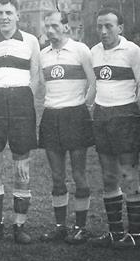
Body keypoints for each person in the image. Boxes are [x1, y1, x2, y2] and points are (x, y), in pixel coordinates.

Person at [0, 0, 42, 244]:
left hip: (21, 105)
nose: (4, 17)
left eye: (9, 12)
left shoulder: (31, 42)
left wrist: (22, 98)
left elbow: (35, 78)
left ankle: (19, 226)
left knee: (21, 168)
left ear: (17, 15)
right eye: (0, 13)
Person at [88, 7, 140, 249]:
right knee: (109, 176)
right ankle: (114, 232)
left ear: (120, 28)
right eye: (99, 26)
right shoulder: (94, 52)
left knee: (128, 175)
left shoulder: (133, 51)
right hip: (102, 116)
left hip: (126, 116)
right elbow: (94, 86)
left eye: (108, 26)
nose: (103, 31)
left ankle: (135, 235)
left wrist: (136, 114)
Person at [37, 12, 96, 244]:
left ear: (65, 27)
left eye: (54, 26)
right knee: (57, 177)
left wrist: (85, 105)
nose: (50, 31)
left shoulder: (81, 50)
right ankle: (60, 226)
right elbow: (43, 85)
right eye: (47, 26)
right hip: (52, 116)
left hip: (76, 115)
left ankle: (80, 227)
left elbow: (94, 82)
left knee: (79, 174)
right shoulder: (43, 55)